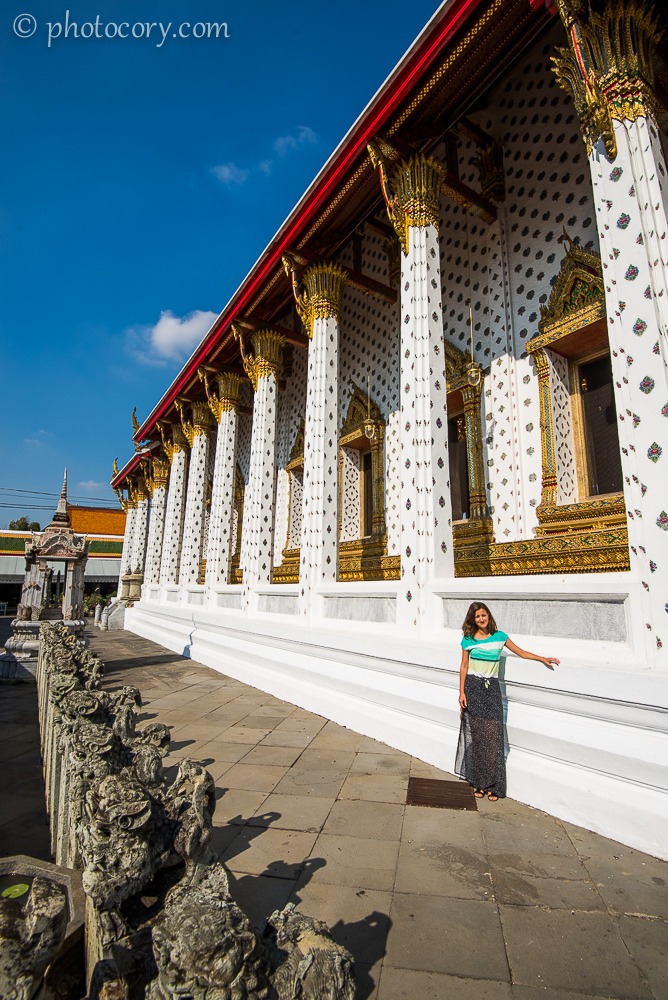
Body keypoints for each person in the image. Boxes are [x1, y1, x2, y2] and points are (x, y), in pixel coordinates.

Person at [455, 601, 559, 801]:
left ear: (488, 616)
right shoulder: (468, 640)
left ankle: (494, 785)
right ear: (473, 620)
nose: (481, 619)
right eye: (477, 617)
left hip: (492, 690)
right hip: (473, 689)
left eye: (483, 615)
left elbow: (521, 652)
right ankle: (479, 782)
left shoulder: (500, 637)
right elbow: (464, 666)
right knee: (477, 738)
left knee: (493, 737)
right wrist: (461, 692)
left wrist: (542, 658)